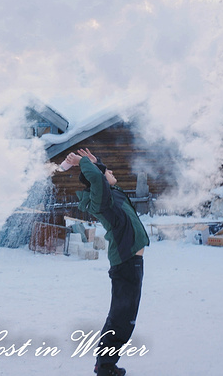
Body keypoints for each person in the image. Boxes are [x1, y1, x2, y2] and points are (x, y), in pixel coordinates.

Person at [62, 148, 150, 376]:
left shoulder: (113, 195)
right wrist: (83, 163)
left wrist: (95, 162)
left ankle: (106, 364)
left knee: (124, 316)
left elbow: (101, 179)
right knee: (122, 317)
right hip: (126, 263)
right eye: (107, 171)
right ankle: (105, 365)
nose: (111, 171)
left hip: (131, 263)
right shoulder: (102, 202)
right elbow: (97, 181)